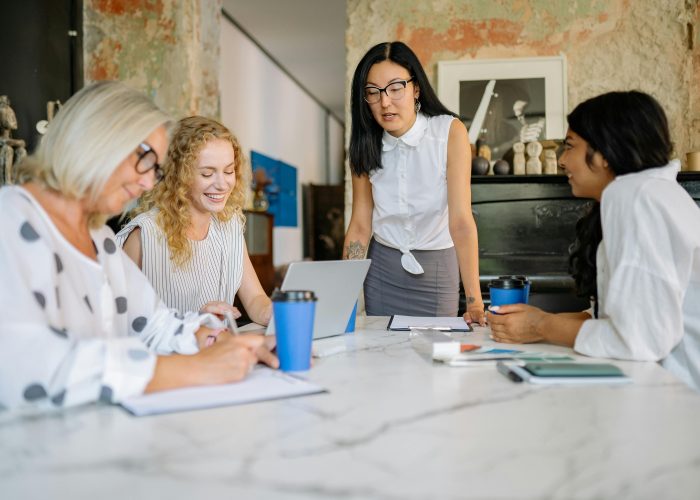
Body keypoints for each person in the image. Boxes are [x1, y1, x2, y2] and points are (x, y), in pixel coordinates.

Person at [0, 81, 277, 411]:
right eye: (145, 160)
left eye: (156, 169)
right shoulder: (11, 222)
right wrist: (194, 368)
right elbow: (26, 363)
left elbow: (154, 323)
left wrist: (217, 340)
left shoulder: (100, 240)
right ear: (98, 141)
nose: (148, 182)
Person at [488, 91, 700, 391]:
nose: (562, 160)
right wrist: (538, 320)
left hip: (679, 396)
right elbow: (620, 312)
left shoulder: (635, 197)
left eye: (570, 146)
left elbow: (638, 339)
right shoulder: (652, 192)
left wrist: (540, 326)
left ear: (604, 154)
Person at [343, 41, 485, 324]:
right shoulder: (364, 144)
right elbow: (360, 225)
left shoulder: (449, 132)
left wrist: (475, 301)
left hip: (436, 267)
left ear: (415, 88)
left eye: (395, 88)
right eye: (373, 92)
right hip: (381, 269)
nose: (385, 102)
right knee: (382, 358)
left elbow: (460, 221)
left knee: (435, 359)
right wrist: (343, 296)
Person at [116, 116, 272, 326]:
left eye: (229, 171)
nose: (223, 184)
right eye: (207, 173)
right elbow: (122, 325)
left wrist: (279, 314)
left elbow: (255, 299)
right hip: (169, 358)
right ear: (179, 175)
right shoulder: (143, 235)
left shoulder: (231, 225)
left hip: (217, 354)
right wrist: (192, 324)